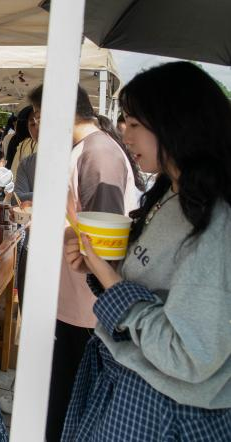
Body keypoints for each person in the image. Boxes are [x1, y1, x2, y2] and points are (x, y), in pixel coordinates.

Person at [62, 61, 231, 442]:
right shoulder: (172, 192)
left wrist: (111, 279)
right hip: (132, 384)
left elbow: (188, 356)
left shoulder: (215, 225)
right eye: (124, 121)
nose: (124, 132)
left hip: (166, 410)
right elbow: (154, 279)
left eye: (135, 123)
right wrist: (101, 265)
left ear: (177, 124)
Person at [27, 84, 139, 442]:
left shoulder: (98, 154)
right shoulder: (86, 149)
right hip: (74, 303)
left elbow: (102, 247)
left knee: (65, 408)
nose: (37, 126)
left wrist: (53, 226)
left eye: (38, 117)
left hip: (86, 311)